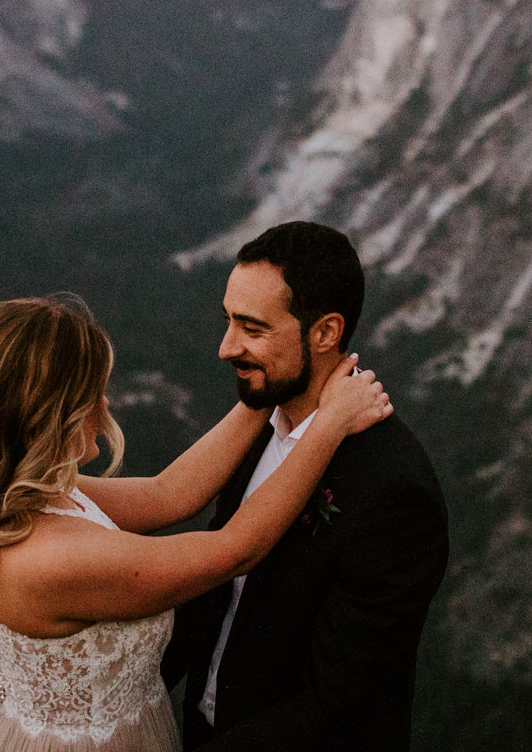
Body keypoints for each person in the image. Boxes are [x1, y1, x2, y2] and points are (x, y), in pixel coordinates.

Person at [0, 291, 393, 752]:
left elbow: (169, 493)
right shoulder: (52, 558)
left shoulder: (27, 496)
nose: (105, 408)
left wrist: (268, 386)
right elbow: (235, 549)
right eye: (93, 395)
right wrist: (330, 424)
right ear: (51, 413)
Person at [163, 222, 449, 751]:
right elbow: (214, 591)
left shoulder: (394, 489)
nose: (227, 348)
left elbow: (339, 700)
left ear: (325, 332)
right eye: (229, 321)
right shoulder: (256, 423)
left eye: (252, 328)